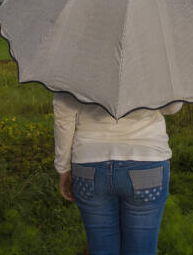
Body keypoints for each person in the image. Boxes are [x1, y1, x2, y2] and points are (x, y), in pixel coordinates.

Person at [53, 92, 182, 255]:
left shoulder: (78, 66)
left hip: (90, 164)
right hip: (146, 163)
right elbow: (172, 106)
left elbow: (63, 109)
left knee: (101, 249)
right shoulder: (153, 66)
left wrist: (63, 167)